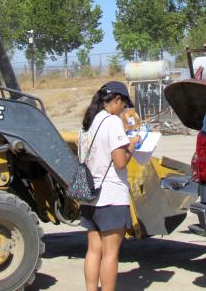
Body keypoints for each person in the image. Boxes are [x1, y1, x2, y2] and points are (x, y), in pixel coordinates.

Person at [78, 81, 141, 291]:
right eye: (123, 105)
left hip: (89, 195)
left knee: (93, 251)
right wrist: (132, 145)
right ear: (116, 100)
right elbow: (120, 162)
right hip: (111, 197)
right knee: (110, 253)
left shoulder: (87, 124)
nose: (123, 110)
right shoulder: (112, 123)